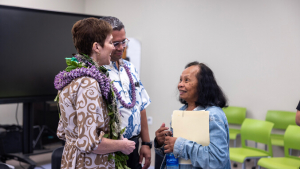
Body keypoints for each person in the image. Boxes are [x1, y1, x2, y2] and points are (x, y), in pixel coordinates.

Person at [54, 18, 136, 169]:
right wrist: (122, 145)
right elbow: (88, 143)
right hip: (88, 163)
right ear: (97, 47)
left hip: (73, 160)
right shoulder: (88, 84)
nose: (113, 48)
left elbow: (61, 132)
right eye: (111, 42)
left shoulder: (70, 76)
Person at [155, 61, 231, 169]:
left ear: (202, 85)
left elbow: (217, 160)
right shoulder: (181, 112)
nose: (180, 84)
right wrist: (162, 142)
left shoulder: (213, 116)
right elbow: (174, 153)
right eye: (180, 80)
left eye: (187, 80)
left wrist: (178, 145)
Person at [100, 16, 152, 169]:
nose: (121, 47)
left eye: (124, 41)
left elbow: (141, 105)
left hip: (133, 145)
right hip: (109, 150)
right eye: (115, 43)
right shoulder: (97, 72)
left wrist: (146, 143)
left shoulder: (130, 68)